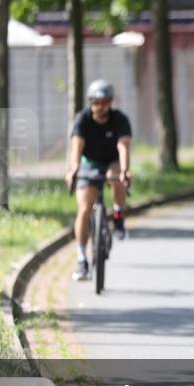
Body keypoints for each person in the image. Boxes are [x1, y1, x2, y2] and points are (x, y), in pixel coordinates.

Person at [64, 80, 132, 281]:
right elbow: (77, 146)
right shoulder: (82, 119)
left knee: (116, 178)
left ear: (110, 102)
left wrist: (125, 170)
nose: (99, 106)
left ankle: (118, 217)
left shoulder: (120, 119)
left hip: (112, 161)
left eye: (104, 102)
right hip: (89, 163)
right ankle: (82, 259)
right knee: (84, 209)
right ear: (90, 102)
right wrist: (74, 169)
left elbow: (123, 147)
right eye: (96, 102)